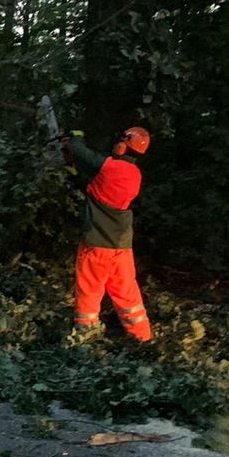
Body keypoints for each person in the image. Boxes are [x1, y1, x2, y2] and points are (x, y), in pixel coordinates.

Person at [61, 126, 152, 342]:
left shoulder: (112, 168)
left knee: (89, 292)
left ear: (124, 145)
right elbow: (97, 189)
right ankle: (143, 339)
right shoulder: (133, 175)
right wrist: (73, 173)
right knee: (127, 294)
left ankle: (85, 338)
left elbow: (83, 153)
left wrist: (76, 137)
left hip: (98, 244)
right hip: (121, 247)